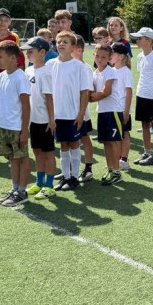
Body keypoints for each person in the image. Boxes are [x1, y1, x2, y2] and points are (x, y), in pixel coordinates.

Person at [0, 41, 31, 207]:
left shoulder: (20, 77)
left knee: (22, 158)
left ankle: (22, 191)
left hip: (16, 127)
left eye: (0, 57)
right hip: (4, 125)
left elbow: (26, 106)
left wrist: (24, 131)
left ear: (13, 58)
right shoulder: (0, 77)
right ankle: (15, 188)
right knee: (12, 158)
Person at [51, 31, 91, 191]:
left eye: (65, 42)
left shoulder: (79, 66)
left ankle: (74, 177)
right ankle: (66, 176)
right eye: (59, 41)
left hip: (73, 114)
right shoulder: (51, 64)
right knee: (63, 145)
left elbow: (84, 93)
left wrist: (81, 114)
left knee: (74, 144)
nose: (61, 44)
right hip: (57, 114)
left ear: (73, 47)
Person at [23, 36, 58, 200]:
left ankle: (49, 186)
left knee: (48, 153)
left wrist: (51, 120)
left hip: (45, 121)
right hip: (32, 120)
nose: (27, 54)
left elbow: (49, 98)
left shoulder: (46, 73)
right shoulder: (28, 71)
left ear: (42, 52)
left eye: (31, 51)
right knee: (37, 151)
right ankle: (39, 182)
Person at [130, 27, 153, 166]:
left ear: (149, 41)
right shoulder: (139, 56)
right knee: (144, 124)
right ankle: (147, 152)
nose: (137, 40)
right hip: (141, 94)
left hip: (152, 97)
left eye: (140, 38)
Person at [90, 44, 122, 185]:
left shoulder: (111, 72)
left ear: (109, 58)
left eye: (103, 57)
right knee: (106, 142)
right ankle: (110, 169)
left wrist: (92, 96)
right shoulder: (95, 73)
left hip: (113, 111)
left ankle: (117, 172)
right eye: (97, 56)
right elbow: (92, 93)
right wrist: (92, 95)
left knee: (113, 142)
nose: (100, 59)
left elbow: (106, 92)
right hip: (102, 111)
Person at [71, 35, 96, 182]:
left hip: (81, 112)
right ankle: (70, 169)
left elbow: (87, 92)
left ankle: (88, 168)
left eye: (71, 48)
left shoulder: (85, 68)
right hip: (69, 111)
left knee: (84, 138)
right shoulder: (69, 65)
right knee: (70, 140)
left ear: (79, 50)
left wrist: (82, 112)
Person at [110, 42, 134, 171]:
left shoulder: (126, 72)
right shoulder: (111, 71)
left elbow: (129, 93)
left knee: (124, 134)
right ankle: (118, 158)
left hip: (122, 109)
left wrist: (126, 112)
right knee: (116, 135)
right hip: (112, 109)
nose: (110, 56)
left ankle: (124, 160)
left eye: (112, 53)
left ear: (121, 56)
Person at [0, 8, 24, 81]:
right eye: (0, 20)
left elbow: (19, 59)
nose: (2, 23)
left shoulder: (14, 37)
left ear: (10, 22)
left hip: (9, 78)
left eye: (6, 20)